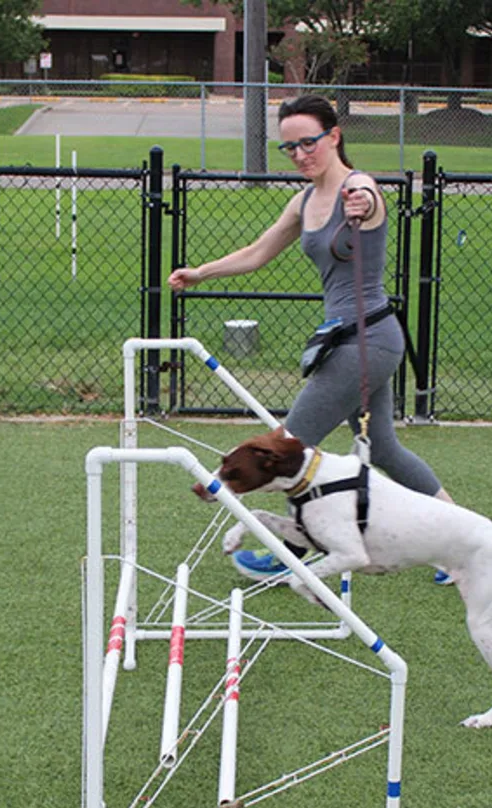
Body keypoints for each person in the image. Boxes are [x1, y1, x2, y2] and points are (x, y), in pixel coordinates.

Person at [168, 94, 457, 584]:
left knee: (287, 448)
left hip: (364, 341)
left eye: (308, 143)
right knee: (384, 449)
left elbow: (368, 196)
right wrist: (201, 272)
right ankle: (458, 542)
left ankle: (288, 552)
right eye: (289, 148)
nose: (300, 154)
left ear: (334, 136)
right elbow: (258, 252)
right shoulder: (302, 201)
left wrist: (364, 203)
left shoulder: (357, 187)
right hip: (353, 340)